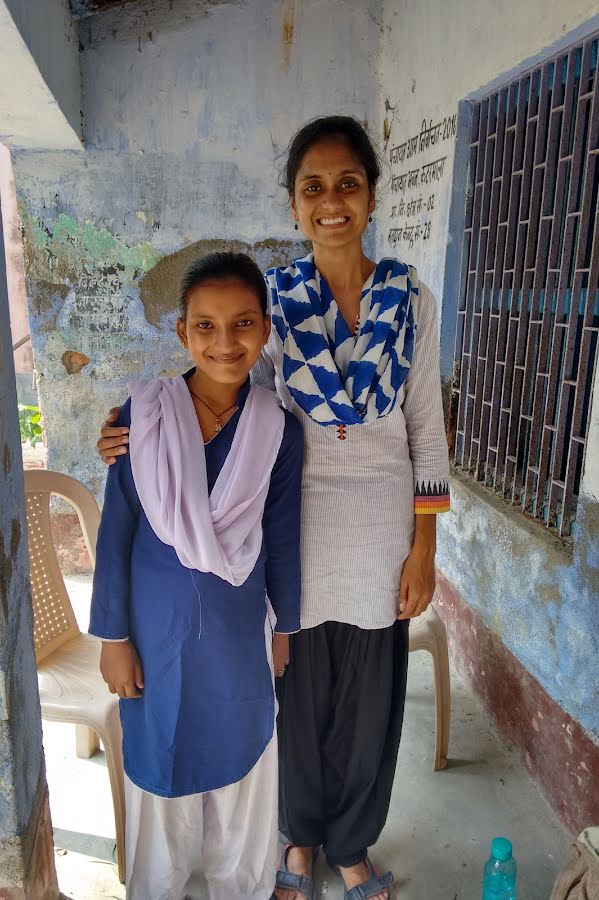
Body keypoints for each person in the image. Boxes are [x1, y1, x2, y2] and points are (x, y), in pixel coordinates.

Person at [97, 116, 450, 900]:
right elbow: (223, 374)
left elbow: (426, 422)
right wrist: (135, 422)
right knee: (291, 694)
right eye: (312, 188)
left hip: (380, 534)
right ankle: (296, 843)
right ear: (293, 206)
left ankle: (352, 845)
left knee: (368, 702)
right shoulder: (278, 302)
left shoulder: (411, 300)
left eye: (347, 184)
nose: (331, 203)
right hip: (283, 524)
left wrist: (423, 545)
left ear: (370, 196)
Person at [90, 251, 303, 900]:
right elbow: (116, 530)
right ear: (182, 333)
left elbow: (284, 542)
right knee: (161, 770)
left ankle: (243, 887)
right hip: (156, 635)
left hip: (240, 633)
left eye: (241, 324)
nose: (224, 342)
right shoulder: (143, 416)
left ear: (264, 329)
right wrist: (113, 637)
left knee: (242, 768)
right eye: (205, 326)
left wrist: (284, 628)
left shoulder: (276, 430)